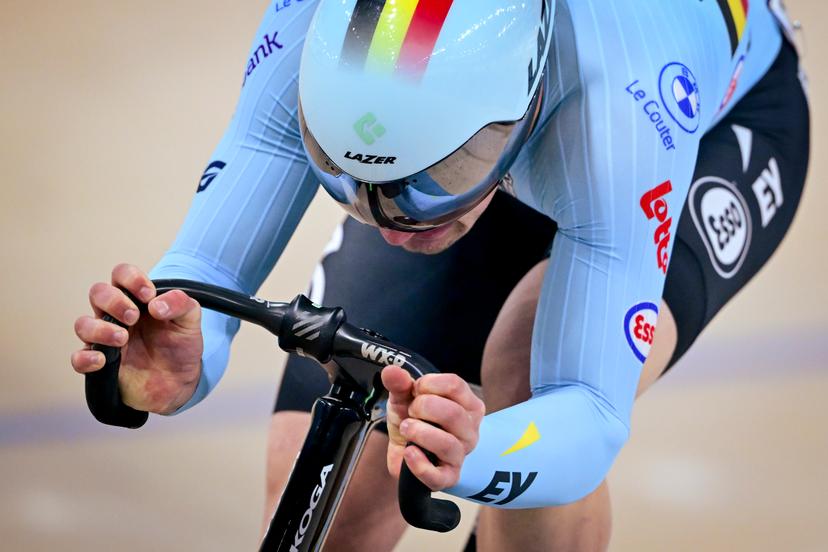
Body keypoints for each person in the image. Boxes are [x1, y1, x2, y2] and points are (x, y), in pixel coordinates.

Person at [71, 1, 809, 550]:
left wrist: (475, 453)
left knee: (525, 368)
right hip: (499, 134)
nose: (397, 222)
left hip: (707, 128)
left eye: (437, 179)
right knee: (333, 507)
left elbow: (588, 406)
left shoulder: (620, 116)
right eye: (351, 176)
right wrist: (183, 348)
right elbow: (205, 267)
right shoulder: (314, 24)